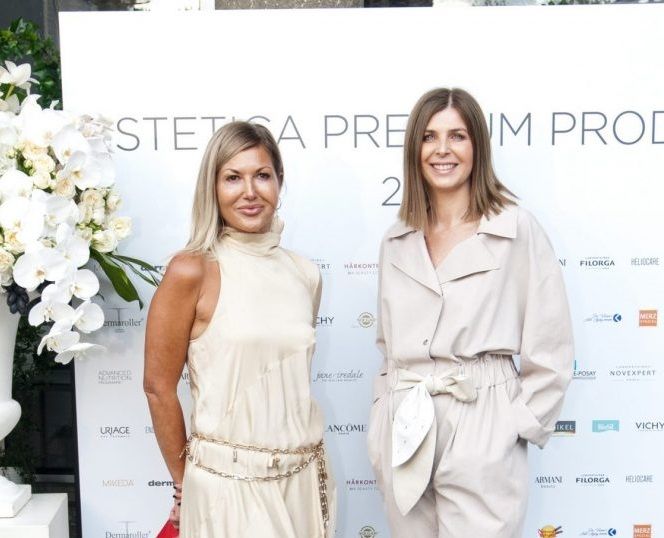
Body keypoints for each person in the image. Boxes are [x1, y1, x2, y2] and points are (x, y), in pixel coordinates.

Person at [367, 88, 573, 537]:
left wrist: (513, 425)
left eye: (457, 136)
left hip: (482, 417)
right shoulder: (396, 239)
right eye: (429, 137)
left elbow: (550, 343)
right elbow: (388, 346)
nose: (442, 149)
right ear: (414, 149)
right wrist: (383, 416)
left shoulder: (515, 229)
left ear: (477, 145)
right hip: (407, 424)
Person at [144, 121, 335, 538]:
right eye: (233, 178)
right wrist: (185, 482)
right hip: (225, 488)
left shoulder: (305, 273)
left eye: (262, 175)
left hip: (303, 482)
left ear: (279, 181)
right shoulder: (192, 270)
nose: (250, 192)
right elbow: (158, 387)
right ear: (212, 187)